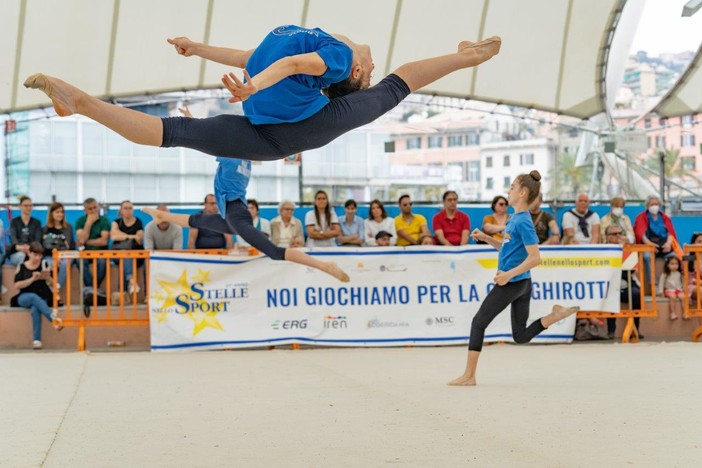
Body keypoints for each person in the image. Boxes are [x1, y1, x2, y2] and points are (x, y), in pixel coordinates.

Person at [24, 27, 501, 162]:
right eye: (368, 69)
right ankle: (80, 103)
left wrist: (199, 48)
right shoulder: (336, 57)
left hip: (265, 128)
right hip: (294, 131)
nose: (371, 66)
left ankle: (81, 102)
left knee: (175, 132)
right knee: (395, 90)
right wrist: (252, 84)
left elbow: (248, 56)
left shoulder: (298, 38)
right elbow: (286, 67)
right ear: (355, 71)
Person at [448, 171, 579, 387]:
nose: (508, 191)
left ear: (522, 192)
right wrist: (486, 238)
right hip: (522, 284)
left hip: (513, 283)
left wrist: (508, 275)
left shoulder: (523, 222)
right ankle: (554, 317)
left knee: (478, 323)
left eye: (511, 187)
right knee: (520, 335)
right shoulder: (514, 219)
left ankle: (469, 375)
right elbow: (507, 247)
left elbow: (535, 257)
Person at [143, 184, 349, 282]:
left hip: (237, 216)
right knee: (196, 220)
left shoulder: (232, 168)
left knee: (277, 252)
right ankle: (161, 215)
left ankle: (324, 265)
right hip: (232, 217)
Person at [12, 242, 64, 349]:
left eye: (40, 255)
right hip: (24, 296)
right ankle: (53, 320)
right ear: (29, 253)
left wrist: (47, 278)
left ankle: (37, 340)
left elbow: (54, 284)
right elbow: (17, 285)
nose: (38, 258)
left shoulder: (44, 265)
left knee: (35, 308)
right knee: (33, 297)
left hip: (41, 295)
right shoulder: (21, 266)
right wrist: (32, 279)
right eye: (35, 255)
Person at [603, 224, 643, 340]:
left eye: (620, 233)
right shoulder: (601, 250)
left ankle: (635, 329)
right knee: (609, 296)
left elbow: (631, 270)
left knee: (636, 294)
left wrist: (627, 249)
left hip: (625, 283)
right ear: (607, 236)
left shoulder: (627, 249)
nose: (618, 236)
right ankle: (611, 331)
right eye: (614, 234)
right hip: (609, 285)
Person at [75, 198, 110, 290]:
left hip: (101, 252)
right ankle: (93, 289)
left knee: (103, 262)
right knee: (80, 262)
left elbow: (104, 241)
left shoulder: (104, 221)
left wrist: (86, 241)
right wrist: (89, 223)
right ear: (85, 210)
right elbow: (82, 240)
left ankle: (92, 288)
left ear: (98, 207)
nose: (93, 211)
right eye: (90, 209)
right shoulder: (80, 221)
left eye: (95, 207)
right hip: (85, 252)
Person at [110, 200, 145, 294]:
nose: (128, 210)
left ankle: (125, 290)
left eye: (130, 208)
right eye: (125, 208)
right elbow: (114, 236)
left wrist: (123, 235)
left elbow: (139, 238)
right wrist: (131, 236)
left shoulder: (138, 222)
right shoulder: (116, 222)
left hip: (136, 255)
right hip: (118, 253)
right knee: (125, 255)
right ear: (121, 210)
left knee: (126, 257)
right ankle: (132, 282)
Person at [42, 201, 76, 295]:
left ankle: (56, 289)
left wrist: (61, 255)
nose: (60, 214)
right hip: (50, 255)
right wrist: (55, 256)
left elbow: (70, 246)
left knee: (65, 264)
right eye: (57, 212)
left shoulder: (68, 227)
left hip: (66, 255)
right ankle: (50, 289)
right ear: (51, 213)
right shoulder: (45, 229)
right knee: (49, 263)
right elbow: (44, 247)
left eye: (62, 212)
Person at [8, 196, 42, 266]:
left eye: (30, 206)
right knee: (21, 255)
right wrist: (19, 247)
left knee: (36, 257)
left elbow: (38, 239)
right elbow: (13, 237)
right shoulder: (14, 222)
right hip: (17, 252)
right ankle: (22, 276)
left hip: (33, 252)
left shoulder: (37, 223)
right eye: (26, 205)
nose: (28, 208)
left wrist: (30, 248)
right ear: (20, 206)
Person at [658, 256, 686, 321]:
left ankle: (685, 313)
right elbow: (661, 283)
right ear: (668, 265)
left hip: (678, 290)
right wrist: (661, 292)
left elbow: (683, 282)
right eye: (672, 264)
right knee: (672, 297)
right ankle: (672, 313)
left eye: (676, 264)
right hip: (669, 290)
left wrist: (684, 289)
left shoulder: (679, 274)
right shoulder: (665, 274)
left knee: (683, 297)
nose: (674, 266)